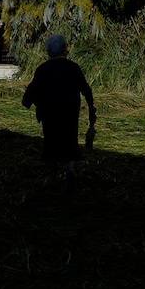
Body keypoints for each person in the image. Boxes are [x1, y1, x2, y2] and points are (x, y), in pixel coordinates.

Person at [22, 35, 96, 182]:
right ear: (65, 50)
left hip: (49, 114)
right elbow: (86, 90)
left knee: (51, 144)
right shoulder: (73, 68)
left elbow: (28, 97)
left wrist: (36, 103)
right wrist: (91, 107)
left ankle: (52, 176)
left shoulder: (43, 69)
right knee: (70, 143)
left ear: (48, 52)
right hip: (69, 113)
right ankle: (69, 173)